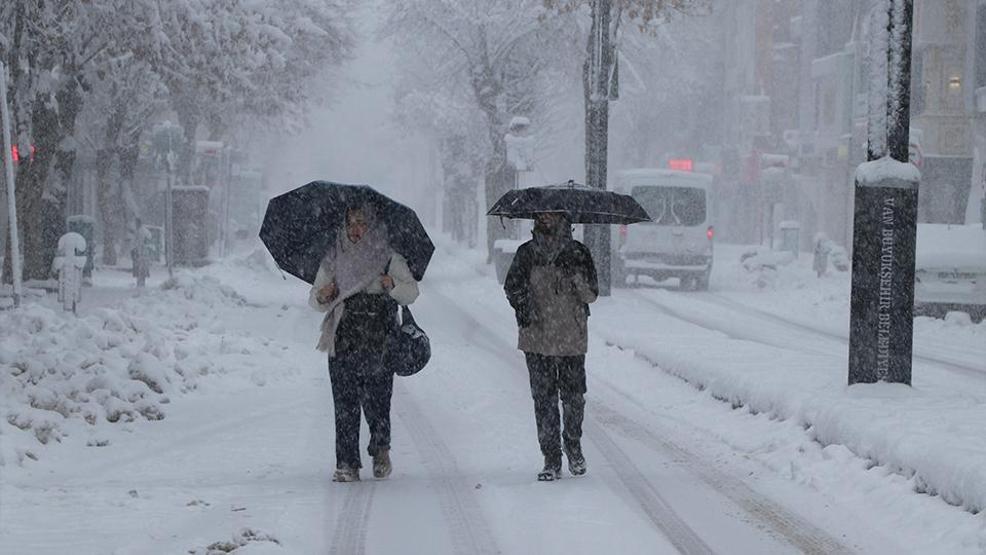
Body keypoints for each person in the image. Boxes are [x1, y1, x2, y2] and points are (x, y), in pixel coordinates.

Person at [309, 205, 419, 483]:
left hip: (379, 337)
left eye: (362, 223)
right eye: (352, 224)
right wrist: (324, 294)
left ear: (372, 227)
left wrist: (391, 283)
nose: (356, 230)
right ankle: (346, 463)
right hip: (344, 335)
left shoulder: (388, 256)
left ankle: (380, 449)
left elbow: (411, 292)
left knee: (377, 400)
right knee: (344, 402)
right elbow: (315, 301)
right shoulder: (333, 258)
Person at [504, 212, 598, 481]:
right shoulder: (527, 253)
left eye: (552, 214)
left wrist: (575, 275)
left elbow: (591, 294)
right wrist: (525, 306)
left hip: (571, 337)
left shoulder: (579, 253)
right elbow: (512, 287)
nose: (546, 219)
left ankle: (573, 445)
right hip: (538, 336)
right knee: (544, 400)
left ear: (563, 219)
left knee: (573, 397)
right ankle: (551, 458)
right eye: (542, 214)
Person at [131, 218, 151, 288]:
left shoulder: (141, 231)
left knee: (140, 267)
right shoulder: (143, 231)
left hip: (141, 252)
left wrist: (135, 249)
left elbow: (137, 242)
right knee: (141, 267)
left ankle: (140, 282)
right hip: (142, 252)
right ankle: (141, 282)